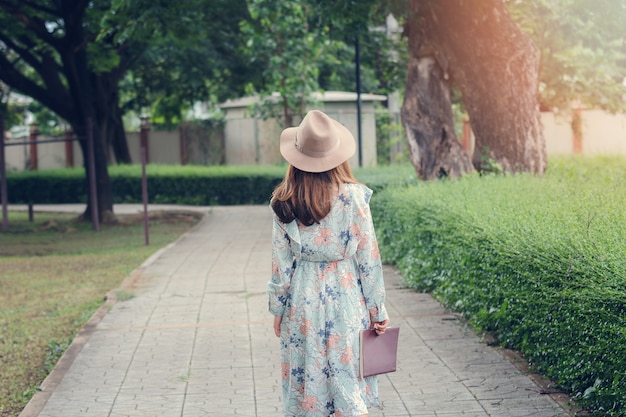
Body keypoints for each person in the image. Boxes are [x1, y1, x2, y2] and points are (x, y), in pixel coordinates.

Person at [268, 110, 389, 417]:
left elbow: (281, 266)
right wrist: (377, 310)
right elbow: (369, 259)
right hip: (348, 299)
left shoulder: (285, 201)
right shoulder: (355, 198)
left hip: (302, 302)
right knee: (348, 381)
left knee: (309, 386)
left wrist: (277, 309)